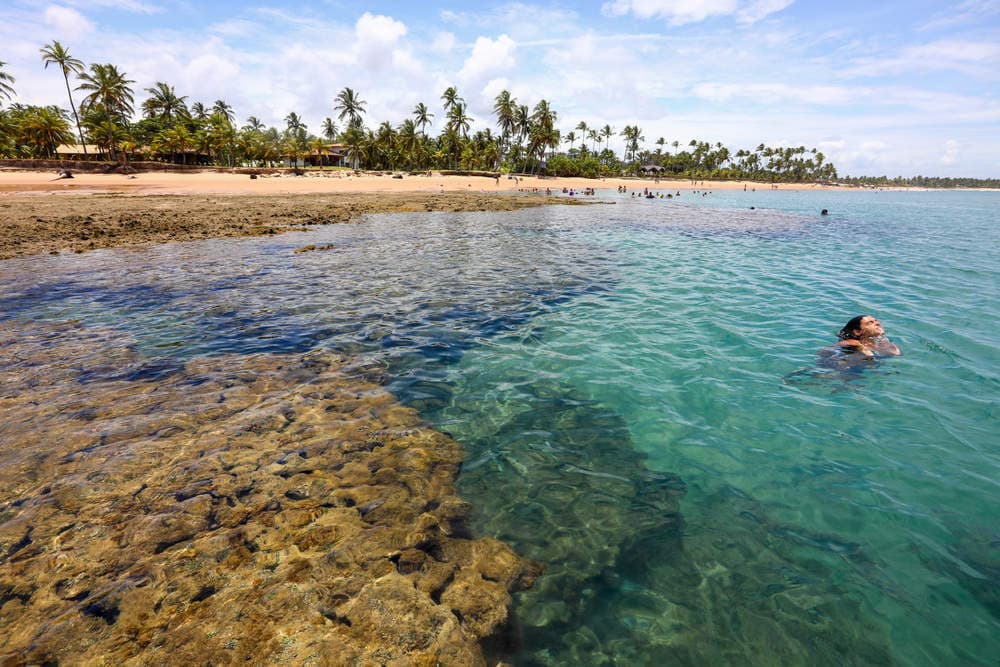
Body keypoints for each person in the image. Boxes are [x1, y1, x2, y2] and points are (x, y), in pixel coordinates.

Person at [835, 315, 900, 356]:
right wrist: (861, 347)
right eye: (870, 323)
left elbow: (896, 353)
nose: (877, 323)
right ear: (858, 332)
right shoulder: (851, 342)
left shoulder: (882, 341)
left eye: (876, 321)